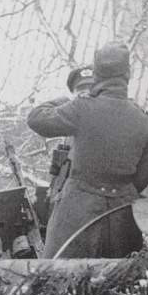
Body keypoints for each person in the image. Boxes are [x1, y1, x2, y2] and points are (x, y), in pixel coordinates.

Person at [26, 42, 148, 258]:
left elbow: (36, 119)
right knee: (123, 284)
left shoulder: (82, 108)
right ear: (128, 74)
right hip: (122, 219)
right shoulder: (143, 120)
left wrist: (62, 101)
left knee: (59, 277)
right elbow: (142, 179)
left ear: (97, 75)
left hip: (78, 218)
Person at [46, 65, 95, 213]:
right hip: (63, 207)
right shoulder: (69, 131)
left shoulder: (106, 125)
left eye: (90, 88)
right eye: (80, 89)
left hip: (90, 209)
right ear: (74, 95)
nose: (85, 93)